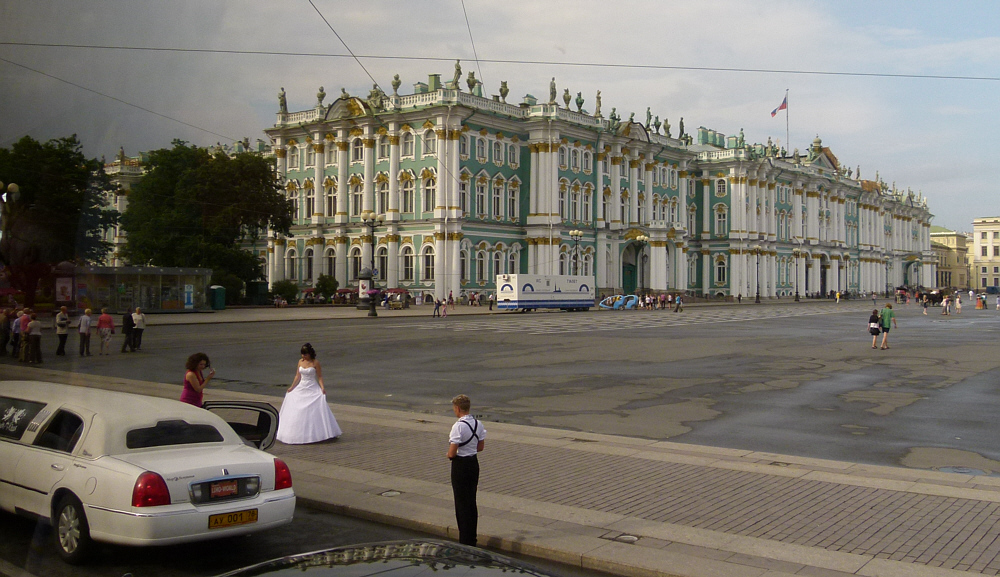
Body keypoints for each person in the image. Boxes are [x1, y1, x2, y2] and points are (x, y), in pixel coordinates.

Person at [276, 343, 342, 444]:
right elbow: (297, 376)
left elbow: (319, 376)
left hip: (312, 387)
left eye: (305, 354)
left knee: (314, 409)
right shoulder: (300, 362)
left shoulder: (316, 363)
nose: (303, 356)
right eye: (302, 354)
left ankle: (318, 433)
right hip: (302, 386)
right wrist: (292, 387)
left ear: (310, 354)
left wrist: (322, 388)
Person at [447, 394, 486, 547]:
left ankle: (465, 541)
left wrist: (450, 455)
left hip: (460, 466)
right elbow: (480, 447)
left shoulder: (458, 426)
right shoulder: (478, 424)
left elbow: (452, 452)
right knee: (471, 501)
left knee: (461, 503)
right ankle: (472, 538)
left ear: (457, 408)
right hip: (473, 464)